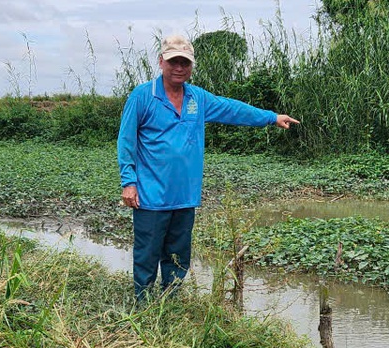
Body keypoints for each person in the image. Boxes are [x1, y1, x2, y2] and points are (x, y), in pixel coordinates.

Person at [117, 34, 299, 303]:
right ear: (161, 62)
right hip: (150, 196)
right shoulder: (143, 96)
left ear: (191, 66)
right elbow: (126, 140)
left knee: (178, 255)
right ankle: (142, 306)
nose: (179, 67)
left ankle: (170, 304)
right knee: (147, 254)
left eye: (185, 62)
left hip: (184, 196)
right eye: (173, 62)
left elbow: (232, 110)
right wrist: (128, 182)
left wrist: (271, 118)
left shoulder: (197, 98)